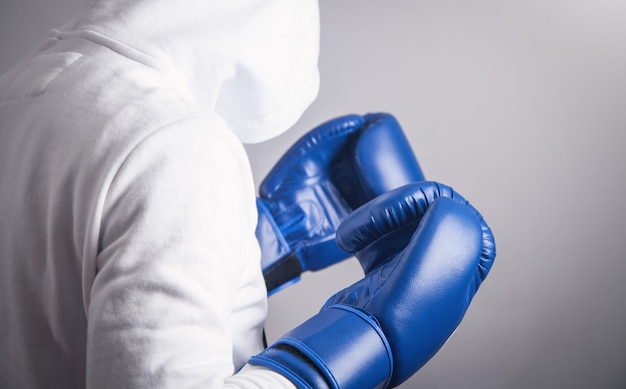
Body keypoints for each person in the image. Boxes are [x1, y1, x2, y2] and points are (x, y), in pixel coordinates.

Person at [0, 0, 496, 388]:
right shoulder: (176, 144)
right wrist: (360, 342)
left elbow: (51, 300)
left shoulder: (24, 90)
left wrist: (254, 248)